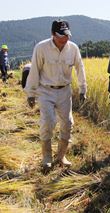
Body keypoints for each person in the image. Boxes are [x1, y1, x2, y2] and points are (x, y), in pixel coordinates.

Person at [24, 19, 87, 171]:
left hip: (65, 90)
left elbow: (80, 68)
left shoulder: (73, 49)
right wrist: (31, 93)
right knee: (48, 122)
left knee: (68, 122)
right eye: (61, 36)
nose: (64, 39)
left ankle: (61, 156)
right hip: (46, 90)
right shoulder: (41, 48)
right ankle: (47, 157)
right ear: (53, 34)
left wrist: (83, 89)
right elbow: (34, 71)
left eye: (66, 35)